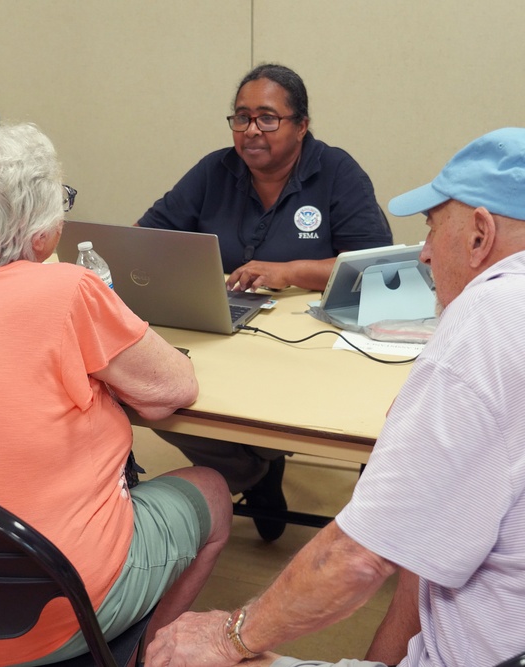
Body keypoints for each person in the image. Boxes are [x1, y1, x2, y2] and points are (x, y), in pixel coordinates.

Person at [143, 125, 525, 667]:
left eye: (430, 228)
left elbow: (354, 560)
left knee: (185, 655)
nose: (422, 253)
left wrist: (228, 634)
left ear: (479, 234)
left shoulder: (488, 321)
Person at [0, 121, 232, 667]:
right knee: (211, 492)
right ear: (40, 231)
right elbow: (172, 390)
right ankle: (140, 659)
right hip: (43, 617)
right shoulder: (67, 290)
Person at [138, 63, 393, 540]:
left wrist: (291, 271)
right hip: (220, 325)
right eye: (242, 117)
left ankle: (263, 470)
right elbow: (146, 235)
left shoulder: (336, 172)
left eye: (268, 118)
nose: (252, 130)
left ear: (301, 125)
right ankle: (255, 472)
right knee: (149, 398)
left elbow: (376, 267)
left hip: (308, 341)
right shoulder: (215, 169)